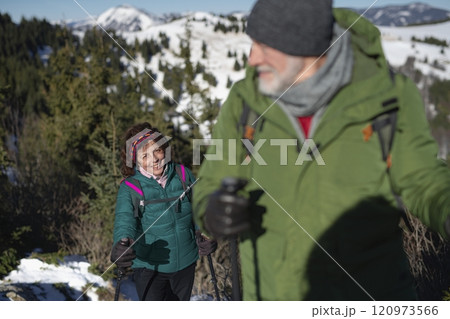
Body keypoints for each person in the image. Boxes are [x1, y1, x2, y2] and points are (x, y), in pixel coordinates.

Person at [193, 0, 450, 301]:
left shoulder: (386, 97)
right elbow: (211, 182)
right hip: (273, 295)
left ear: (305, 50)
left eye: (265, 47)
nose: (252, 59)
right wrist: (211, 212)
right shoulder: (245, 103)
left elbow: (421, 178)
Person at [111, 122, 216, 301]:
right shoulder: (130, 187)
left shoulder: (183, 174)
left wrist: (206, 233)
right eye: (145, 155)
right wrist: (121, 245)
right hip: (149, 267)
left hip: (185, 262)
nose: (154, 159)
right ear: (134, 160)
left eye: (157, 151)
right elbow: (124, 220)